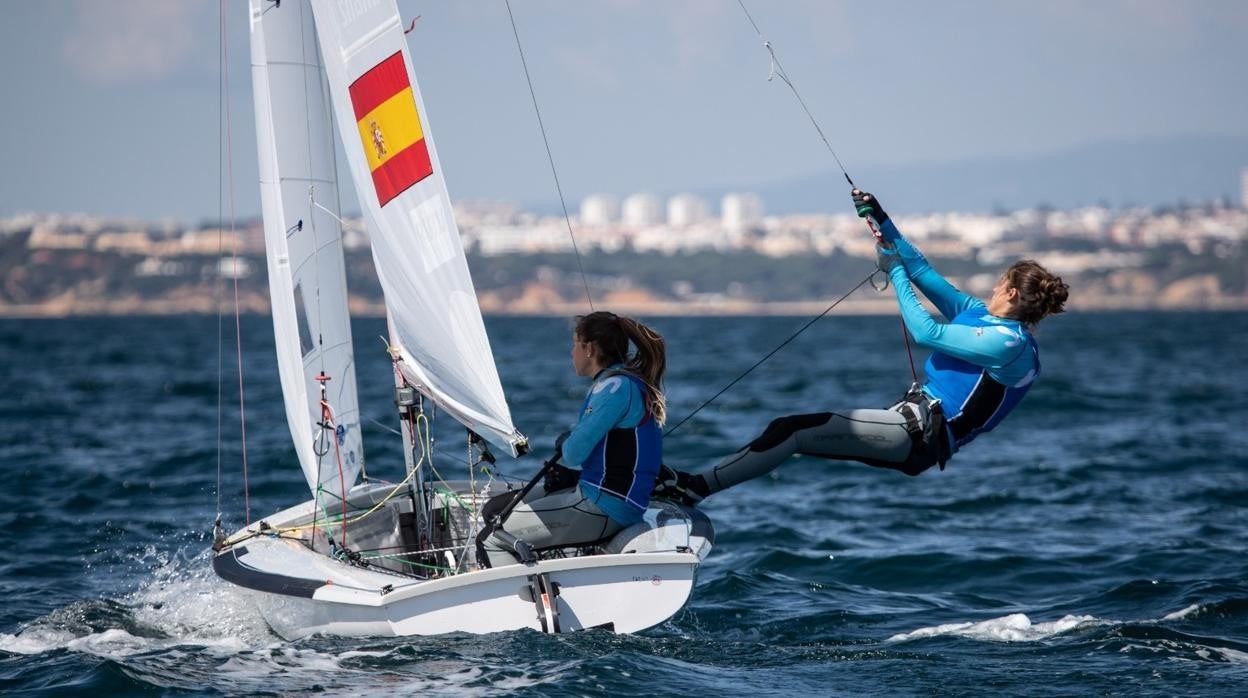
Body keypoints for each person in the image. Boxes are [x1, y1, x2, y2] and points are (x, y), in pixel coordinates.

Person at [653, 188, 1070, 504]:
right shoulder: (979, 314)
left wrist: (895, 275)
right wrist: (882, 220)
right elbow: (922, 268)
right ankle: (691, 486)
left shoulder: (1010, 347)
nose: (995, 284)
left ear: (1013, 294)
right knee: (792, 433)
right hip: (905, 422)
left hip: (917, 437)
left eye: (1002, 281)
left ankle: (692, 489)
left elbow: (927, 334)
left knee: (791, 429)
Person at [481, 311, 668, 568]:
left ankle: (515, 603)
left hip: (604, 506)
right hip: (615, 501)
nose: (572, 352)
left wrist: (565, 442)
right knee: (494, 508)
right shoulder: (625, 382)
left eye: (575, 343)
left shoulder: (614, 388)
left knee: (493, 537)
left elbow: (573, 454)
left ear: (589, 349)